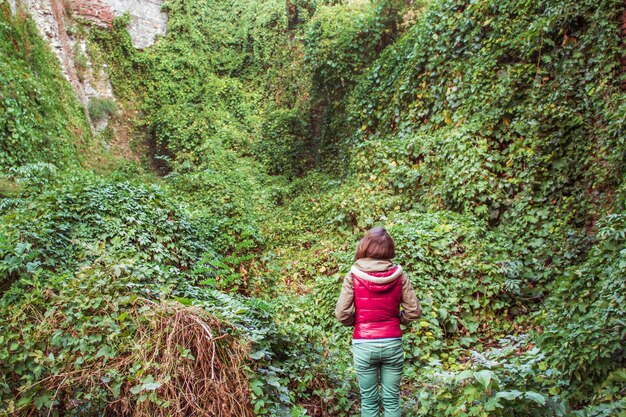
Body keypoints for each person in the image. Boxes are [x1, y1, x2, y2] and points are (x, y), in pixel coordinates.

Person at [335, 226, 421, 417]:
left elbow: (342, 313)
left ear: (365, 246)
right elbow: (414, 311)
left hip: (364, 344)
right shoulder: (400, 275)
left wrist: (356, 322)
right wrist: (400, 319)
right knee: (391, 401)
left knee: (369, 401)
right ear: (389, 249)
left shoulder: (353, 275)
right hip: (392, 342)